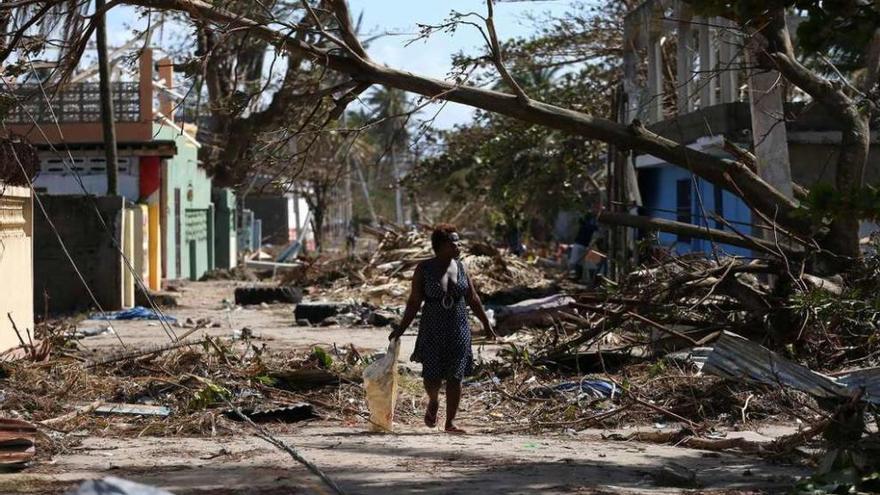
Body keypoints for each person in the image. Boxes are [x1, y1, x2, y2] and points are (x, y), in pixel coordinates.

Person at [388, 224, 496, 434]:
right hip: (432, 326)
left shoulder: (461, 267)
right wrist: (401, 329)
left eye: (458, 241)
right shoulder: (424, 269)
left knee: (456, 376)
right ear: (440, 245)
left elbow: (473, 299)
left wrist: (487, 325)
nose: (458, 245)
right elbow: (414, 302)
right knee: (432, 376)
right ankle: (434, 400)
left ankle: (450, 422)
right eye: (453, 242)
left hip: (459, 326)